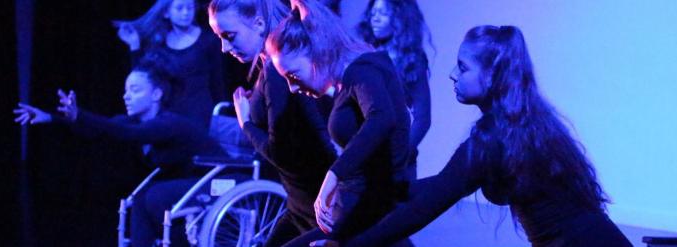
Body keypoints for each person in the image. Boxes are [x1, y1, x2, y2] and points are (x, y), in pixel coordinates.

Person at [324, 25, 633, 247]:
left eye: (463, 67)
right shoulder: (526, 123)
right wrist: (388, 191)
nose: (452, 75)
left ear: (491, 75)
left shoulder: (492, 140)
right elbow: (444, 185)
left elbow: (425, 208)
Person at [13, 61, 224, 247]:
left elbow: (128, 133)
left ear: (156, 94)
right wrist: (52, 118)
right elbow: (98, 130)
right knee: (141, 197)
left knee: (157, 195)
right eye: (126, 90)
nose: (126, 96)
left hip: (221, 178)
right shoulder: (135, 121)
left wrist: (79, 114)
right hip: (193, 180)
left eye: (135, 90)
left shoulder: (168, 123)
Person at [264, 0, 412, 245]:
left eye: (293, 75)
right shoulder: (348, 79)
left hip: (372, 212)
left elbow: (382, 118)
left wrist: (332, 178)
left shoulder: (362, 70)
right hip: (357, 210)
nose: (292, 87)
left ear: (317, 51)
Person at [208, 0, 337, 246]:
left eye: (229, 36)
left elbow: (283, 152)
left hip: (315, 206)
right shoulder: (272, 65)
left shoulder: (277, 72)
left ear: (258, 23)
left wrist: (246, 123)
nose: (224, 47)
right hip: (301, 204)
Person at [116, 0, 226, 126]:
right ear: (166, 13)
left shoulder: (208, 41)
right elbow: (143, 78)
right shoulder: (160, 43)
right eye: (179, 8)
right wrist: (134, 45)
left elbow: (217, 81)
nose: (186, 13)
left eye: (189, 8)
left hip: (201, 114)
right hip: (170, 113)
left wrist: (220, 115)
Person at [358, 0, 433, 181]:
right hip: (364, 158)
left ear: (399, 19)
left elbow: (423, 119)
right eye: (373, 13)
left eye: (383, 14)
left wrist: (399, 156)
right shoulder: (365, 53)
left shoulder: (412, 59)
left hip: (395, 165)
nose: (374, 19)